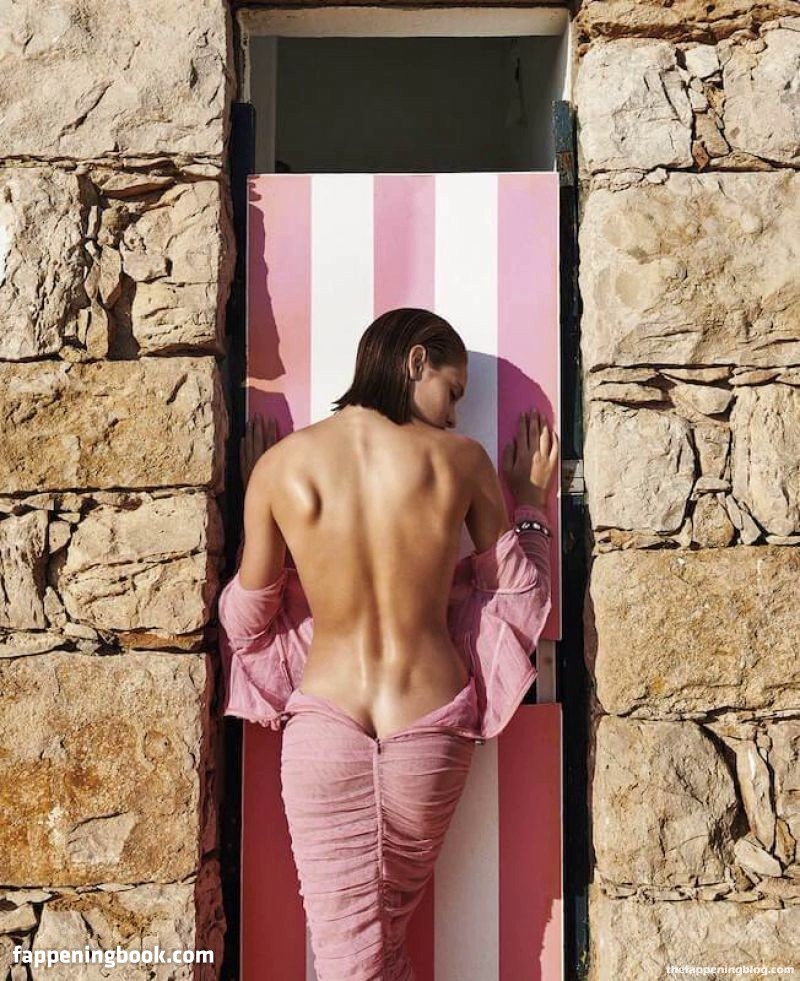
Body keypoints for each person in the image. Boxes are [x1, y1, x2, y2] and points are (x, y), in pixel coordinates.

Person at [218, 307, 558, 980]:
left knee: (350, 956)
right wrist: (529, 506)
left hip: (324, 732)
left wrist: (268, 519)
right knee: (379, 948)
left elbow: (244, 620)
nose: (455, 415)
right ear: (415, 360)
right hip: (427, 729)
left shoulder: (281, 469)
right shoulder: (461, 461)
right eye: (452, 392)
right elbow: (521, 596)